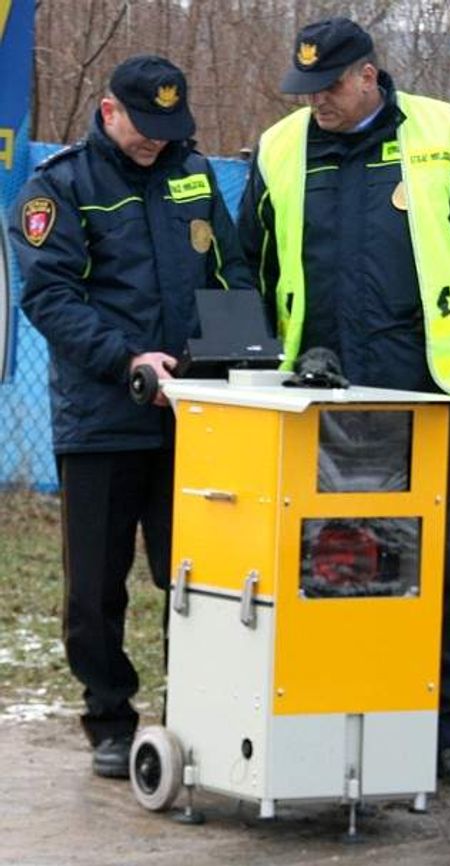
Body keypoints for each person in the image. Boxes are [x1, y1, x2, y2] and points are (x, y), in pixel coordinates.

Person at [239, 17, 450, 790]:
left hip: (421, 388)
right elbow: (248, 269)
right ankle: (335, 720)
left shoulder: (445, 132)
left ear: (368, 74)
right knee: (325, 562)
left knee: (434, 564)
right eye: (305, 89)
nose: (316, 102)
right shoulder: (279, 148)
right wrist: (249, 370)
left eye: (329, 86)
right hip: (314, 395)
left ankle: (448, 734)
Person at [8, 55, 252, 778]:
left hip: (195, 418)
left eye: (167, 129)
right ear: (109, 112)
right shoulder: (59, 188)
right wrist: (129, 361)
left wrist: (239, 354)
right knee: (95, 586)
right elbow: (50, 298)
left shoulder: (196, 175)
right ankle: (109, 715)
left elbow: (230, 272)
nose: (155, 141)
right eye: (145, 127)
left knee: (195, 578)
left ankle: (195, 712)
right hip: (103, 416)